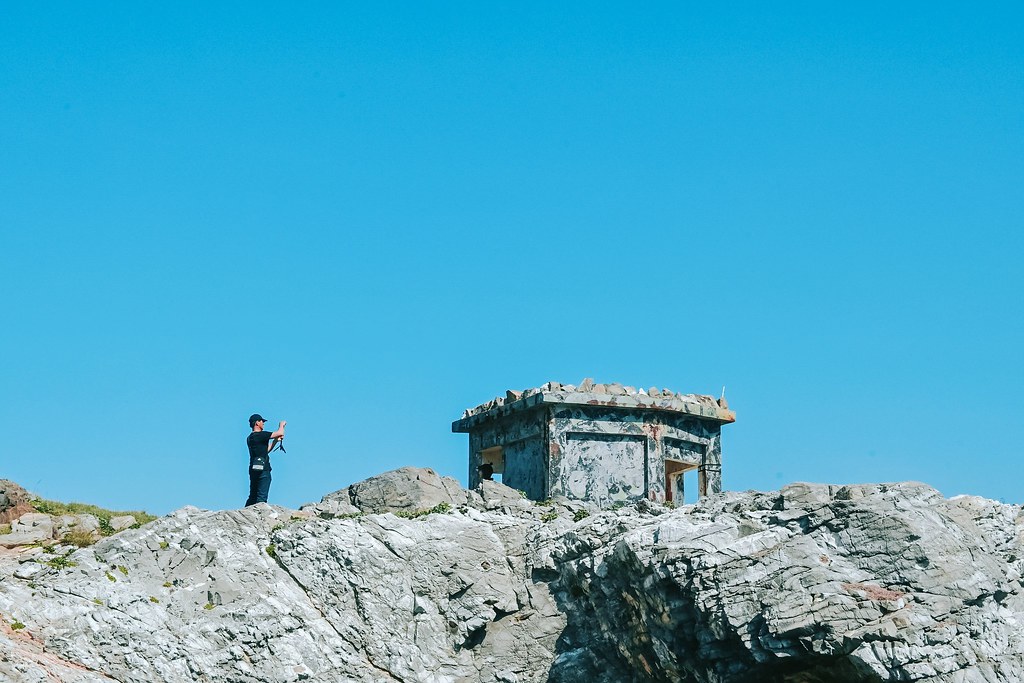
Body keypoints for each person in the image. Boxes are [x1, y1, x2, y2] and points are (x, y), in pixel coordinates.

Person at [245, 413, 286, 506]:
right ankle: (260, 515)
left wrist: (275, 441)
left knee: (252, 496)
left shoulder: (250, 438)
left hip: (253, 468)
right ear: (257, 423)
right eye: (262, 421)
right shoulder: (261, 435)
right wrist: (281, 425)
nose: (263, 423)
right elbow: (280, 433)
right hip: (264, 469)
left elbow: (265, 450)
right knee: (261, 497)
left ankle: (246, 512)